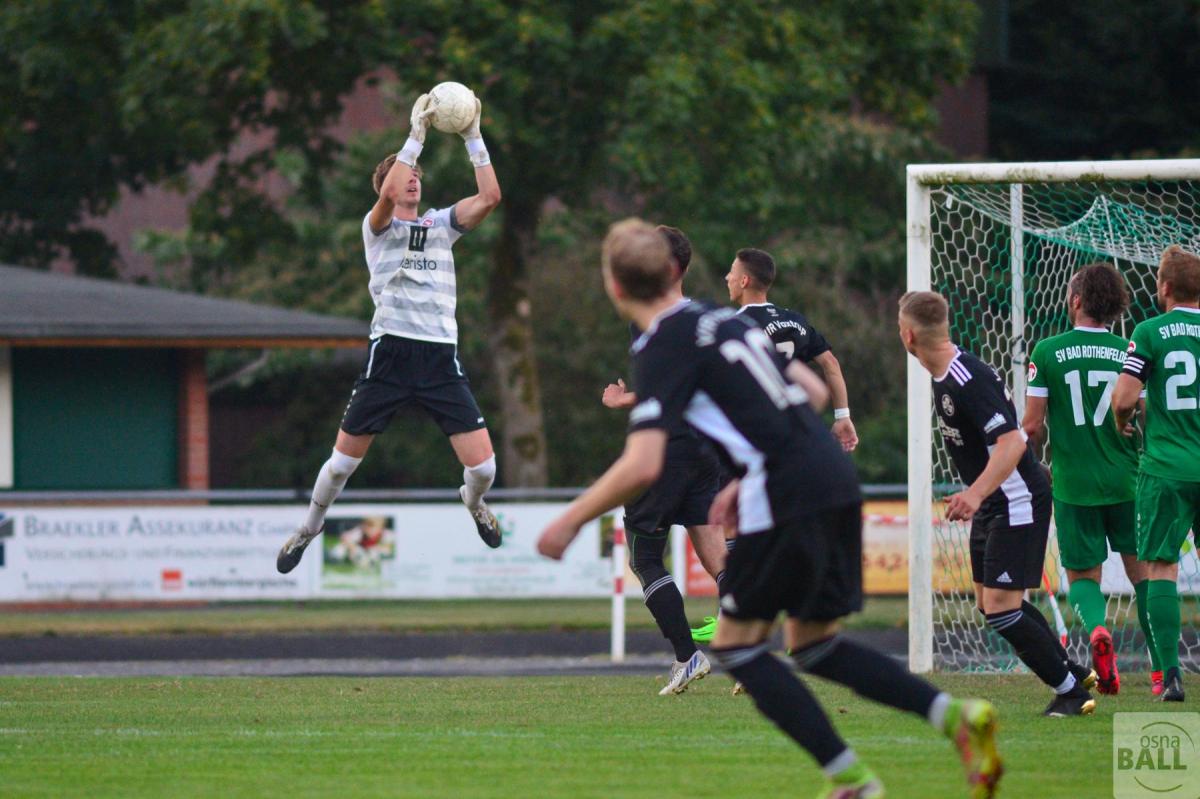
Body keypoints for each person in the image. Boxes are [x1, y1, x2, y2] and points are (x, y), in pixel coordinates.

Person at [540, 219, 1002, 799]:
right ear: (674, 272)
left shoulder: (658, 341)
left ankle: (852, 779)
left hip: (784, 490)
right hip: (829, 474)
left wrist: (569, 518)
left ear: (614, 288)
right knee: (815, 643)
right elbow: (807, 390)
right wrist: (751, 463)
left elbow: (642, 463)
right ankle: (951, 717)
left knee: (736, 645)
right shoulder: (718, 318)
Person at [277, 91, 503, 574]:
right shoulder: (377, 228)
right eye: (406, 178)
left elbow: (490, 198)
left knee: (484, 469)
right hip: (391, 357)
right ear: (388, 187)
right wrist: (415, 137)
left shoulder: (441, 226)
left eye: (418, 178)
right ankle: (310, 527)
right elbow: (385, 198)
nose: (413, 182)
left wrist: (473, 136)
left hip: (440, 357)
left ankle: (474, 502)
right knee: (340, 466)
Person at [900, 290, 1097, 717]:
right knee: (991, 605)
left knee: (1002, 610)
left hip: (1016, 498)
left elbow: (1012, 442)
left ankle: (1070, 691)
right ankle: (1073, 671)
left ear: (908, 335)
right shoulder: (944, 375)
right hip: (995, 501)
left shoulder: (966, 378)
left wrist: (974, 493)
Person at [599, 225, 727, 695]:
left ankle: (686, 656)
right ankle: (748, 652)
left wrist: (622, 401)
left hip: (665, 449)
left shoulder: (649, 316)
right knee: (717, 555)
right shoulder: (707, 317)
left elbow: (662, 393)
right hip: (704, 448)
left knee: (646, 558)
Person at [1021, 263, 1149, 696]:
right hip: (1127, 482)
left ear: (1076, 300)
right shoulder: (1130, 350)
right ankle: (1160, 670)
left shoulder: (1047, 351)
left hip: (1073, 486)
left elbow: (1033, 426)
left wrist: (1024, 465)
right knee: (1146, 574)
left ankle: (1097, 629)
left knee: (1082, 578)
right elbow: (1141, 413)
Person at [1113, 244, 1200, 703]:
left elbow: (1125, 398)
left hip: (1167, 466)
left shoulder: (1150, 332)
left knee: (1162, 566)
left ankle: (1170, 676)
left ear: (1163, 287)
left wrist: (1122, 422)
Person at [725, 248, 858, 453]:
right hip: (797, 429)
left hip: (754, 432)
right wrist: (842, 416)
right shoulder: (796, 320)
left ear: (744, 281)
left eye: (732, 271)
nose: (727, 277)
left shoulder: (736, 324)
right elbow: (830, 363)